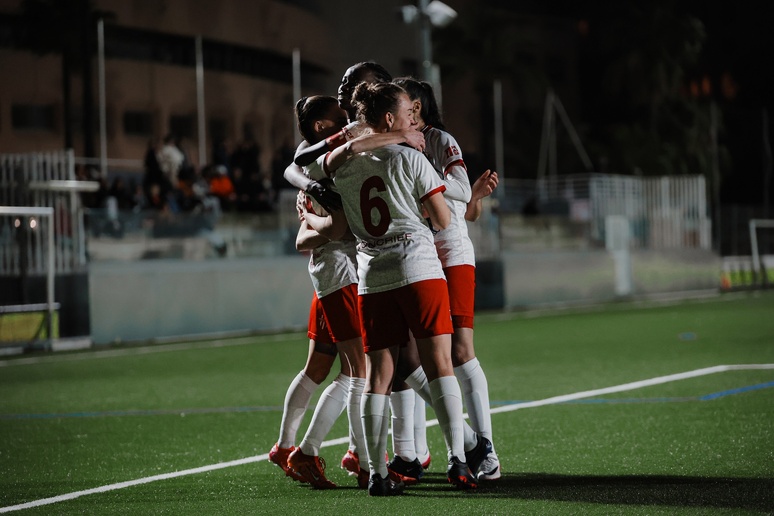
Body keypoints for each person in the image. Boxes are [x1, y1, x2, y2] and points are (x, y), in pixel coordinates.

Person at [326, 81, 477, 495]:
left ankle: (377, 473)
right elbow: (442, 219)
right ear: (389, 118)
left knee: (378, 376)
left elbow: (326, 174)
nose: (414, 118)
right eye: (408, 112)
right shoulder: (410, 157)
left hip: (372, 275)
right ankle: (459, 462)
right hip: (418, 266)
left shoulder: (344, 166)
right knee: (439, 364)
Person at [394, 76, 501, 481]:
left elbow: (458, 192)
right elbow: (467, 206)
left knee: (459, 350)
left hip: (450, 253)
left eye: (405, 102)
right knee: (410, 355)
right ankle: (419, 449)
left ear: (418, 106)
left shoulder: (439, 140)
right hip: (416, 254)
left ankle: (485, 450)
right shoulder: (393, 143)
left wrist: (439, 184)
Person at [269, 95, 368, 490]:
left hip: (330, 275)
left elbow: (302, 237)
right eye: (339, 118)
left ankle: (285, 446)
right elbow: (337, 229)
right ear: (322, 127)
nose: (347, 121)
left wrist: (309, 215)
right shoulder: (329, 166)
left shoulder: (309, 163)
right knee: (359, 370)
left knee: (321, 367)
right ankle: (338, 455)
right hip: (341, 275)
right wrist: (322, 218)